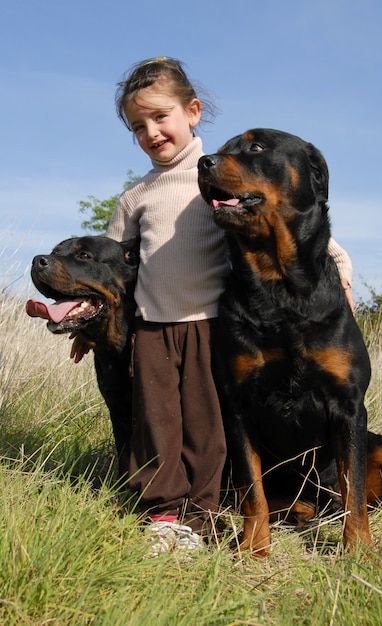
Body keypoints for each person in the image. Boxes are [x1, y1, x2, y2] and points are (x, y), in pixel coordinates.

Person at [72, 57, 354, 551]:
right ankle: (163, 513)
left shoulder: (221, 176)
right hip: (154, 327)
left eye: (161, 117)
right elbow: (109, 264)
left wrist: (343, 269)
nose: (152, 132)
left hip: (211, 324)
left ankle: (203, 512)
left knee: (206, 424)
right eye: (139, 126)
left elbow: (300, 224)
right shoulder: (135, 196)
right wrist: (86, 322)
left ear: (192, 111)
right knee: (156, 420)